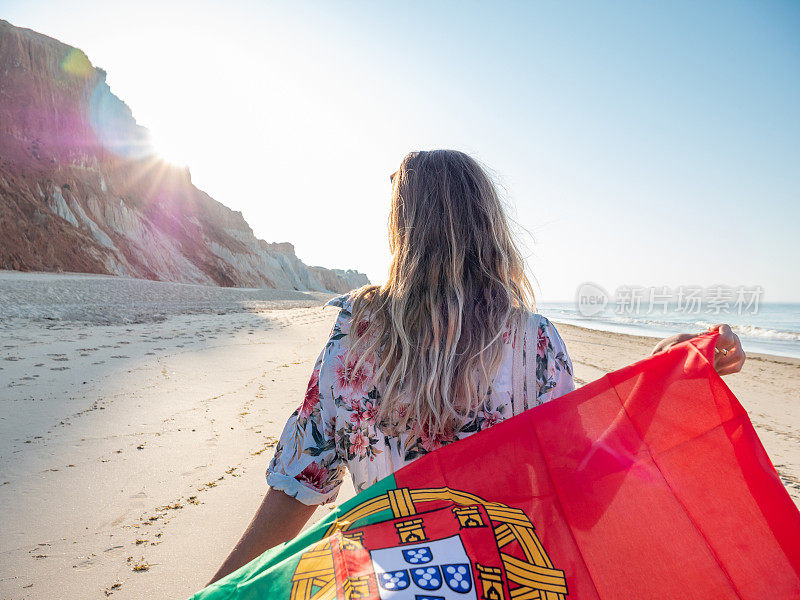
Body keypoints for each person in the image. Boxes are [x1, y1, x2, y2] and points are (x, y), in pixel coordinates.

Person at [208, 149, 745, 585]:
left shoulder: (354, 342)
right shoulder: (532, 346)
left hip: (393, 584)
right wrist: (658, 381)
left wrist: (214, 591)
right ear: (489, 227)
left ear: (403, 230)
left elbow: (298, 486)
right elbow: (582, 501)